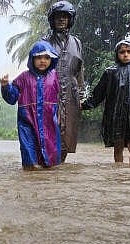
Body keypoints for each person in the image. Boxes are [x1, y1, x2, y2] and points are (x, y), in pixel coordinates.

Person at [81, 40, 130, 168]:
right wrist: (84, 105)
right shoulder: (110, 72)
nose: (126, 55)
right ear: (117, 54)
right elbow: (98, 94)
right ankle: (119, 174)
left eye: (129, 52)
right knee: (118, 145)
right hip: (115, 115)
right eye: (122, 52)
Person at [1, 40, 62, 170]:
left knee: (50, 159)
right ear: (32, 59)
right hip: (27, 121)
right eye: (39, 57)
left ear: (52, 59)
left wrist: (62, 115)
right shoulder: (23, 77)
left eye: (47, 57)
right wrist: (6, 86)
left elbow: (62, 97)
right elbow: (12, 98)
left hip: (48, 121)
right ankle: (30, 172)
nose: (43, 61)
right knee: (30, 154)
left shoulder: (54, 76)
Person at [42, 0, 85, 163]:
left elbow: (80, 70)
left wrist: (81, 96)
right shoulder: (45, 41)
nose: (61, 20)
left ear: (70, 19)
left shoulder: (77, 43)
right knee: (49, 133)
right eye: (58, 17)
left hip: (71, 95)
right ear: (52, 20)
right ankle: (49, 167)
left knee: (67, 137)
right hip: (50, 94)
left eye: (65, 17)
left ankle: (60, 167)